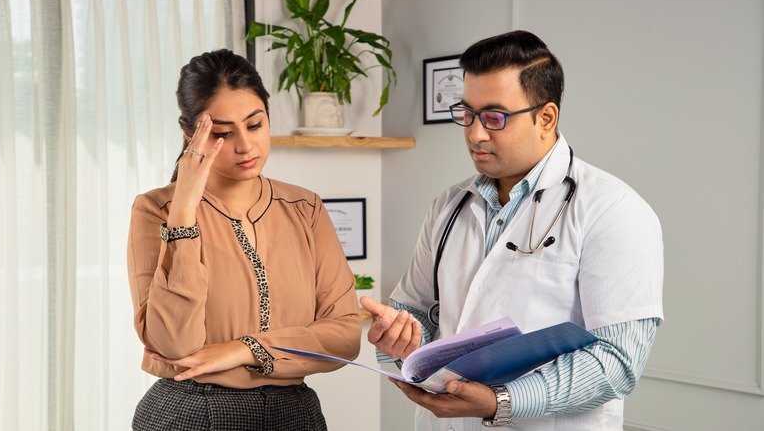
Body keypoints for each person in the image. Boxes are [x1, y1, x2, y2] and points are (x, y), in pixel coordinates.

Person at [361, 30, 663, 430]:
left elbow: (617, 361)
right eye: (466, 114)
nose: (474, 134)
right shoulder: (449, 206)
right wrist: (397, 338)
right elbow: (414, 309)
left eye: (493, 117)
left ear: (546, 117)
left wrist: (499, 402)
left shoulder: (611, 210)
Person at [127, 49, 361, 430]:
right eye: (222, 133)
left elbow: (345, 337)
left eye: (255, 125)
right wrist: (184, 209)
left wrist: (242, 349)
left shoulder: (305, 207)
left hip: (295, 414)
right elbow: (173, 343)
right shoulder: (155, 210)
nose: (246, 146)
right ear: (192, 136)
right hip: (190, 414)